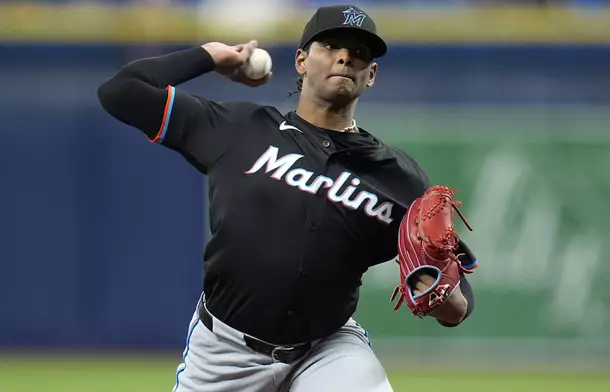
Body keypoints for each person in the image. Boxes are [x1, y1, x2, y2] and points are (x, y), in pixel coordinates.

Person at [97, 4, 478, 392]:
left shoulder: (398, 178)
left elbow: (459, 302)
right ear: (301, 60)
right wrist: (212, 55)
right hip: (224, 352)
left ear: (371, 75)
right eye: (330, 46)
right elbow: (120, 92)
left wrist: (439, 292)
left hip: (327, 350)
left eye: (360, 53)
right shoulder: (239, 129)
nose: (345, 57)